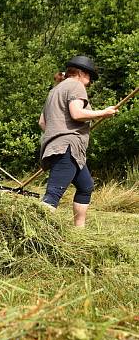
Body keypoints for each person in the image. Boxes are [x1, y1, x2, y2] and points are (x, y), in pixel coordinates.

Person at [39, 56, 118, 227]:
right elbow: (77, 113)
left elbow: (42, 123)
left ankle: (79, 231)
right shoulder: (76, 85)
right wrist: (103, 112)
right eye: (89, 77)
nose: (89, 83)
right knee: (53, 194)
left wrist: (58, 133)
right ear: (81, 73)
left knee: (86, 186)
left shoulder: (55, 90)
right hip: (67, 147)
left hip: (62, 148)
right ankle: (32, 235)